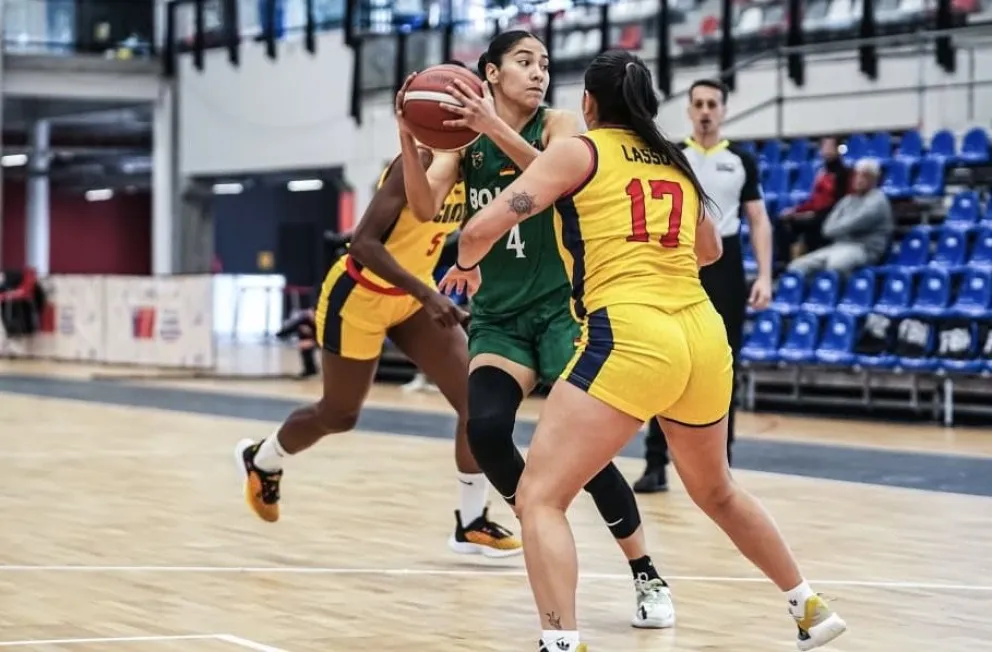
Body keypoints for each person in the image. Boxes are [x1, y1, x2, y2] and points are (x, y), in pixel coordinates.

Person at [454, 50, 848, 652]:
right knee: (717, 489)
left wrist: (466, 267)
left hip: (631, 334)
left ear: (588, 103)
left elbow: (478, 231)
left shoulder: (579, 150)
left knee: (538, 495)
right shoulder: (674, 160)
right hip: (702, 336)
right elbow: (710, 249)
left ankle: (561, 643)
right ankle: (808, 605)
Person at [397, 31, 674, 629]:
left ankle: (646, 572)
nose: (539, 72)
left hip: (561, 311)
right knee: (488, 429)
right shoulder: (464, 141)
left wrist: (491, 128)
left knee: (588, 458)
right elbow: (422, 209)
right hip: (499, 318)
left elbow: (565, 177)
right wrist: (408, 136)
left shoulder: (560, 125)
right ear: (491, 73)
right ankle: (542, 522)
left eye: (545, 63)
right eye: (524, 62)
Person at [233, 140, 523, 558]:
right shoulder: (420, 161)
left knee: (475, 402)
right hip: (360, 295)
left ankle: (471, 522)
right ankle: (263, 458)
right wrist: (429, 294)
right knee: (340, 414)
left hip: (412, 297)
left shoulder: (477, 167)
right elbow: (364, 244)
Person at [633, 77, 774, 494]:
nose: (707, 110)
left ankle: (720, 465)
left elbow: (758, 219)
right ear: (690, 110)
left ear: (724, 109)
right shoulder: (673, 156)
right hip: (677, 259)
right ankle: (655, 462)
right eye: (699, 104)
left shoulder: (742, 160)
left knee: (724, 365)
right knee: (666, 359)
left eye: (714, 103)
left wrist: (765, 275)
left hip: (726, 264)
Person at [788, 157, 893, 276]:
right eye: (857, 175)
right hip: (839, 246)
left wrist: (839, 226)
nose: (859, 179)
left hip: (864, 249)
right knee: (797, 266)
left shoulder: (878, 200)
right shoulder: (847, 200)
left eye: (864, 176)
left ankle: (841, 294)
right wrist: (841, 227)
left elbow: (856, 223)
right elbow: (827, 229)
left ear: (874, 179)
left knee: (835, 266)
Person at [778, 136, 851, 259]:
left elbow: (840, 203)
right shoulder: (822, 172)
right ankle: (785, 262)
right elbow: (814, 200)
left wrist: (813, 214)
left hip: (830, 215)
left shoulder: (843, 173)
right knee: (781, 221)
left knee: (812, 225)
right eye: (824, 146)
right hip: (816, 213)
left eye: (830, 146)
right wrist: (796, 211)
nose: (826, 150)